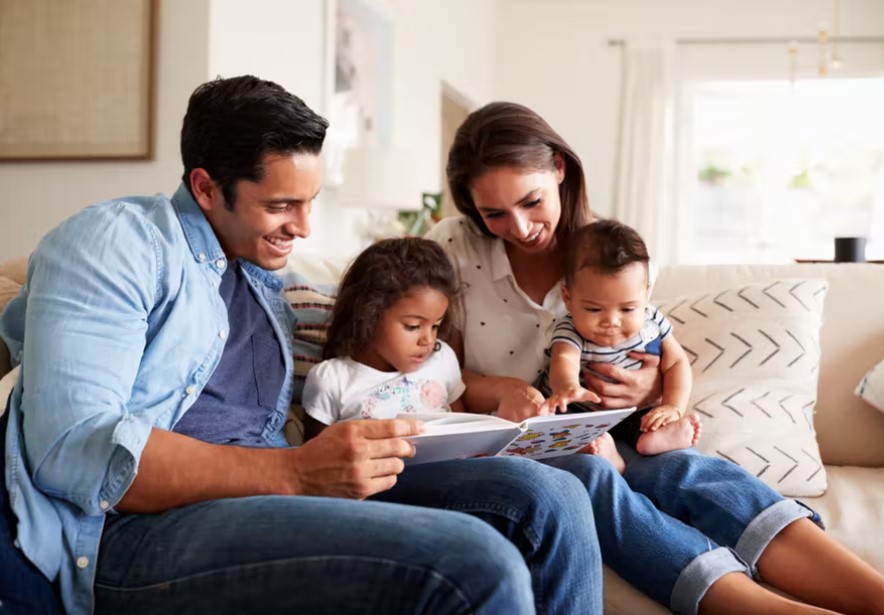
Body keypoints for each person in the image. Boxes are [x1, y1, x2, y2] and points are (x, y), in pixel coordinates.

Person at [0, 77, 605, 615]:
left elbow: (378, 317)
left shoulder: (267, 279)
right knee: (474, 561)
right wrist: (293, 471)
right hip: (138, 530)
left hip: (273, 491)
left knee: (549, 493)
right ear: (206, 188)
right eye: (281, 205)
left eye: (310, 201)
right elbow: (74, 449)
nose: (305, 227)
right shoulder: (117, 243)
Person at [426, 100, 884, 615]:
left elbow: (654, 354)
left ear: (559, 169)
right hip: (513, 440)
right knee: (590, 477)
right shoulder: (454, 249)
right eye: (494, 214)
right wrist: (498, 390)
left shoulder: (613, 256)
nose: (521, 226)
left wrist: (648, 391)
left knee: (685, 469)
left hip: (607, 423)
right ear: (471, 209)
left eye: (531, 202)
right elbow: (433, 368)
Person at [539, 219, 701, 473]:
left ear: (646, 294)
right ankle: (603, 453)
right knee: (556, 424)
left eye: (627, 308)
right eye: (593, 309)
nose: (611, 322)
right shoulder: (570, 329)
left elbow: (677, 362)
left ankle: (656, 439)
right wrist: (568, 387)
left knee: (648, 421)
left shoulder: (652, 320)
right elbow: (564, 360)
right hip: (581, 409)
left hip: (630, 411)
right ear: (568, 298)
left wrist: (672, 406)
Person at [301, 237, 464, 438]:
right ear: (369, 315)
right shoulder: (332, 380)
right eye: (412, 326)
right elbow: (316, 456)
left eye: (435, 326)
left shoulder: (443, 359)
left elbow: (465, 427)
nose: (428, 340)